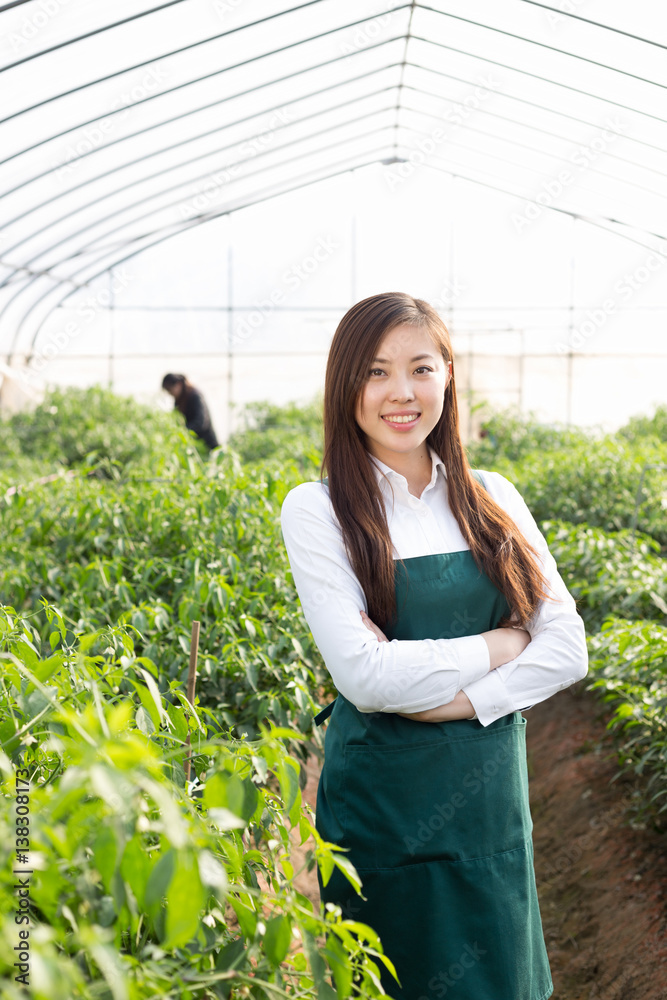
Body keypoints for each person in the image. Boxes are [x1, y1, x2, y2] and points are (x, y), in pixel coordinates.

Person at [279, 292, 588, 1000]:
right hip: (382, 809)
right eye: (376, 372)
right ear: (345, 386)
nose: (400, 393)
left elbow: (567, 647)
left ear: (447, 377)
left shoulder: (493, 497)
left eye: (420, 369)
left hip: (487, 805)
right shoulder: (318, 508)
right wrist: (505, 642)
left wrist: (460, 704)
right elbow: (366, 677)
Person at [161, 373, 219, 451]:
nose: (170, 394)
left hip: (207, 443)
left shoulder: (195, 396)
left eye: (170, 390)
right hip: (193, 446)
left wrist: (183, 431)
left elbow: (201, 422)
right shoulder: (178, 401)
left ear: (179, 384)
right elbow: (178, 421)